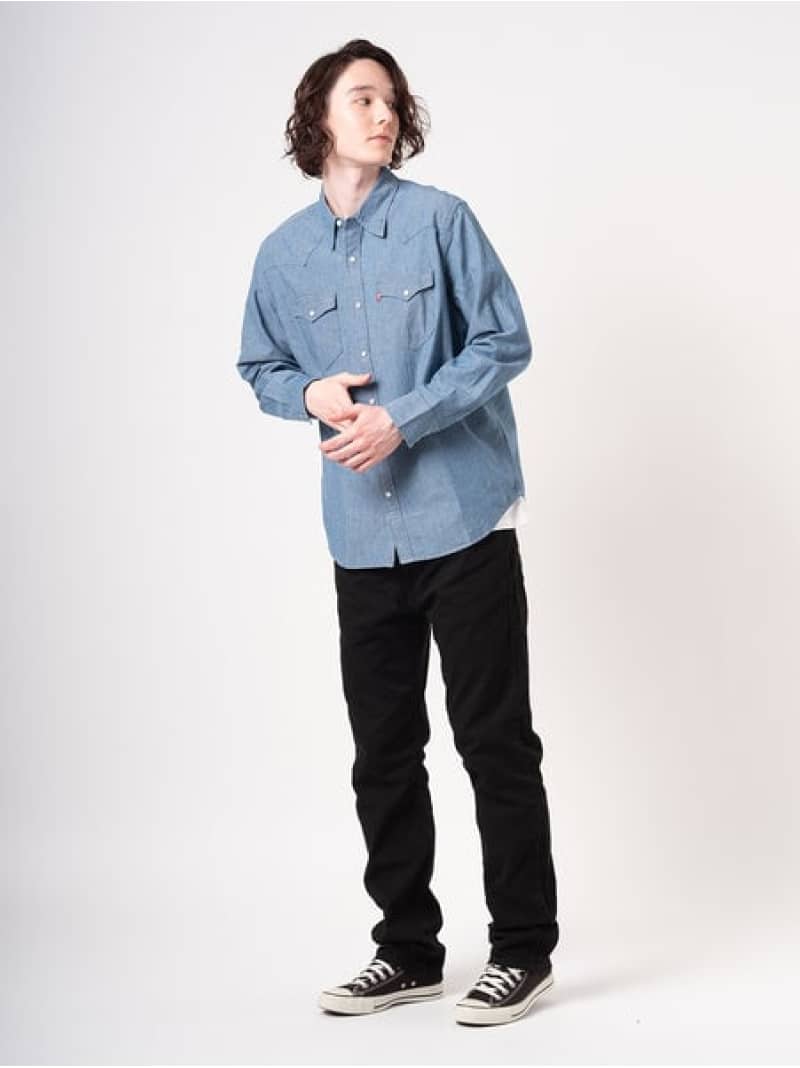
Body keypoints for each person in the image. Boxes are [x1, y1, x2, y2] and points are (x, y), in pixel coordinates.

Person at [236, 38, 559, 1028]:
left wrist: (402, 419)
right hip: (359, 540)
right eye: (362, 99)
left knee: (492, 741)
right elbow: (259, 366)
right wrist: (308, 393)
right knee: (382, 750)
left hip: (462, 522)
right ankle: (408, 950)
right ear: (318, 119)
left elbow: (504, 341)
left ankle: (522, 951)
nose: (384, 115)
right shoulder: (282, 255)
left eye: (392, 101)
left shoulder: (440, 221)